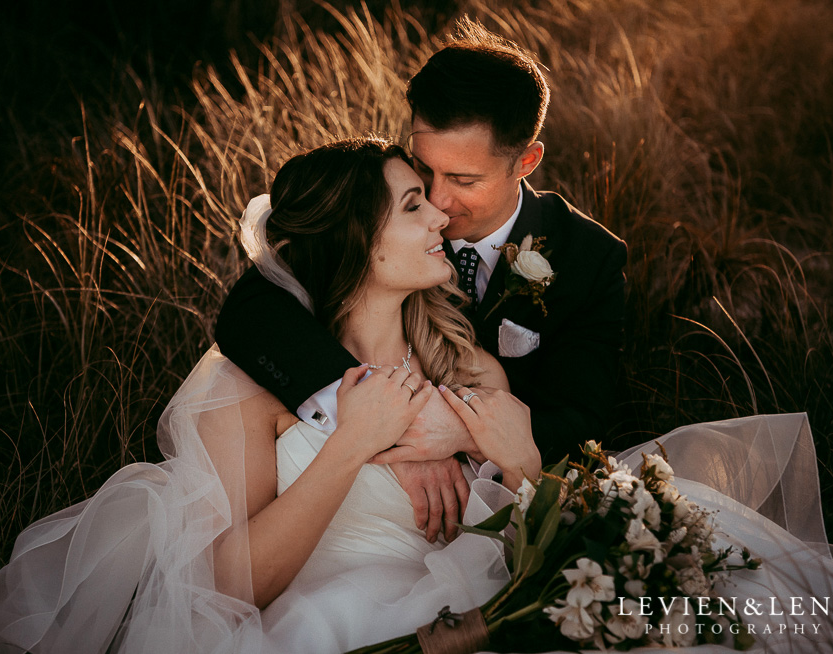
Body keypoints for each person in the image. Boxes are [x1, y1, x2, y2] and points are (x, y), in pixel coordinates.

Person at [0, 138, 833, 654]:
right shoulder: (251, 382)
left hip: (487, 581)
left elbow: (525, 506)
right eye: (412, 206)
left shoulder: (462, 353)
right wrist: (355, 443)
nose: (443, 215)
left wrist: (521, 463)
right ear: (357, 242)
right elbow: (228, 585)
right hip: (349, 622)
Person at [214, 21, 628, 545]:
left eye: (464, 180)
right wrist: (394, 425)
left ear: (526, 161)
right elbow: (250, 311)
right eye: (424, 169)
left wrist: (461, 432)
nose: (437, 201)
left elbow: (582, 416)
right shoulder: (382, 206)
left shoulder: (588, 258)